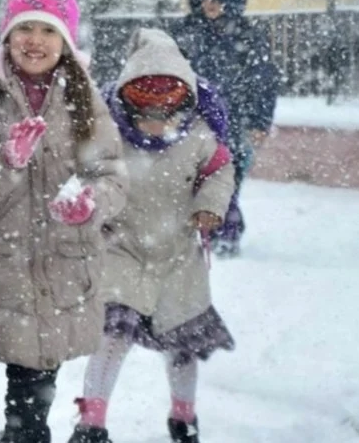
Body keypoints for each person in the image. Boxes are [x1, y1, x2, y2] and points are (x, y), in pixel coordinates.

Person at [0, 0, 126, 443]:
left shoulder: (86, 99)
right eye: (26, 27)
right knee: (28, 380)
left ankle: (22, 434)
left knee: (39, 374)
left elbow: (112, 175)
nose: (36, 40)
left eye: (49, 30)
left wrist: (91, 202)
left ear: (65, 41)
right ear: (8, 34)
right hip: (8, 265)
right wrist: (5, 159)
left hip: (66, 264)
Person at [68, 28, 236, 443]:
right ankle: (91, 422)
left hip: (178, 254)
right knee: (112, 336)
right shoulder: (109, 133)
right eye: (145, 111)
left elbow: (220, 170)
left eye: (168, 112)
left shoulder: (199, 136)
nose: (156, 123)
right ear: (126, 97)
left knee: (182, 345)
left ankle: (185, 416)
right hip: (122, 246)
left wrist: (210, 206)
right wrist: (87, 202)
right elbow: (87, 171)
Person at [170, 0, 278, 257]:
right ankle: (191, 232)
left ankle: (225, 232)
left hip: (233, 124)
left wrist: (259, 121)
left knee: (226, 180)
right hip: (190, 123)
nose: (211, 4)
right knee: (186, 180)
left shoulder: (248, 38)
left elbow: (264, 82)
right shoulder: (184, 33)